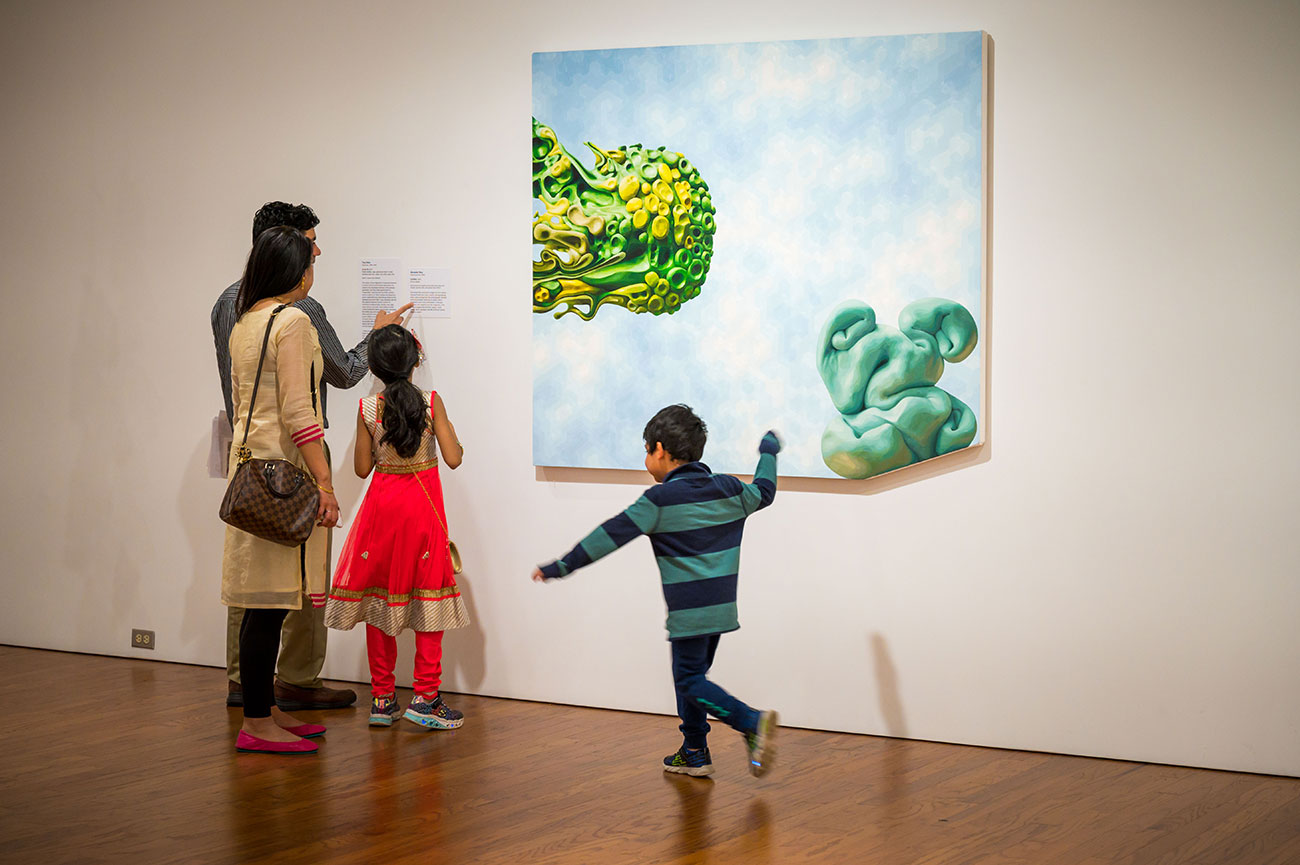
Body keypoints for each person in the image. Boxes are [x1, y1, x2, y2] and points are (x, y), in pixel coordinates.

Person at [211, 201, 412, 711]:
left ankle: (244, 683)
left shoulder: (230, 308)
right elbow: (340, 375)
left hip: (246, 454)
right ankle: (296, 680)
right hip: (293, 458)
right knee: (297, 575)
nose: (316, 252)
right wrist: (379, 335)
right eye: (310, 242)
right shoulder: (297, 313)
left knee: (249, 584)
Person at [532, 405, 782, 778]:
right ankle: (695, 750)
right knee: (694, 678)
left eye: (647, 450)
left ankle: (751, 722)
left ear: (660, 450)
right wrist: (768, 452)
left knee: (689, 680)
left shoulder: (659, 501)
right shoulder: (730, 489)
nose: (647, 459)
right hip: (721, 610)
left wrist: (560, 567)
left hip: (689, 612)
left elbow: (607, 537)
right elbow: (765, 490)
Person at [222, 226, 340, 754]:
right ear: (298, 272)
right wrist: (325, 481)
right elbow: (299, 411)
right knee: (268, 604)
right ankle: (256, 721)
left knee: (261, 600)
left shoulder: (246, 322)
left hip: (250, 469)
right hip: (282, 478)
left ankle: (265, 709)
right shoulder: (291, 321)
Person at [324, 325, 469, 730]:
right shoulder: (430, 402)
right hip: (422, 509)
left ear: (373, 366)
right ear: (416, 361)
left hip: (382, 511)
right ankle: (425, 697)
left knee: (378, 599)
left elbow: (361, 468)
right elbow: (454, 458)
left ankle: (383, 699)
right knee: (430, 599)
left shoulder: (367, 409)